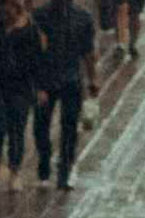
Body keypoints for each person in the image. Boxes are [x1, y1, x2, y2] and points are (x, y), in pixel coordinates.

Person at [33, 0, 99, 191]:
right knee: (41, 126)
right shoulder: (40, 16)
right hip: (46, 79)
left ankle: (64, 171)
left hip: (71, 79)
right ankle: (44, 160)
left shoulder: (83, 17)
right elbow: (33, 51)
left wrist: (93, 78)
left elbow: (88, 51)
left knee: (69, 127)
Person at [1, 0, 46, 192]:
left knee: (17, 130)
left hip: (21, 86)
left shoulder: (31, 27)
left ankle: (15, 171)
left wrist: (40, 87)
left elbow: (38, 59)